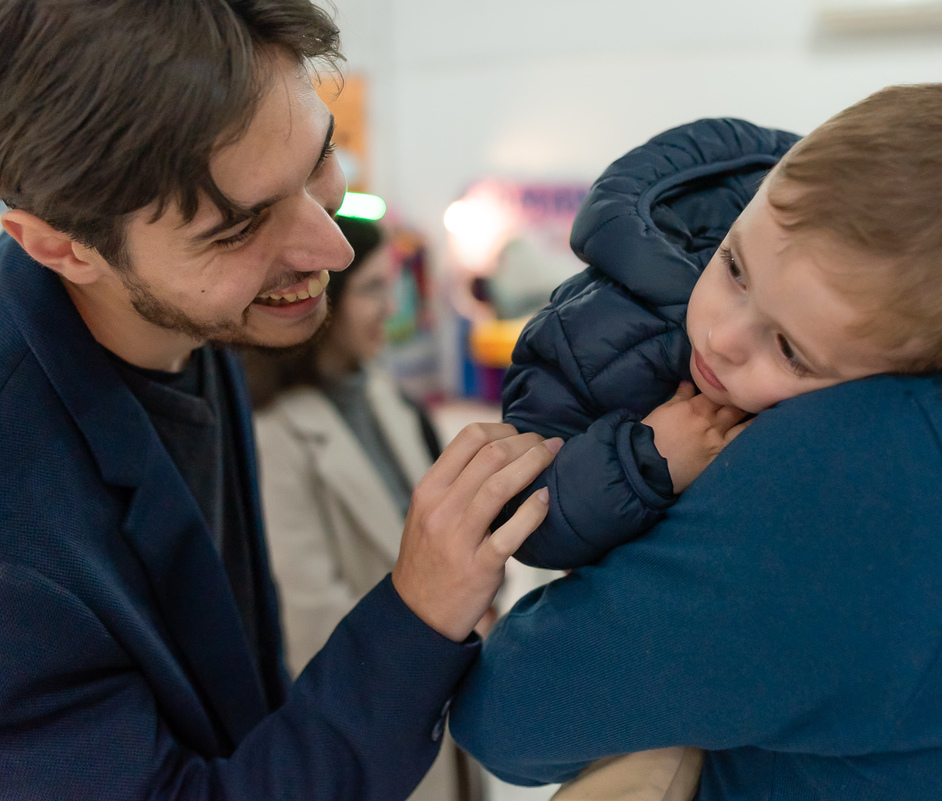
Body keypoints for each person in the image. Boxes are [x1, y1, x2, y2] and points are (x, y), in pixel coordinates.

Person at [450, 1, 942, 798]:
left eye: (793, 349)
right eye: (736, 267)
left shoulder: (888, 450)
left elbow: (515, 711)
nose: (734, 339)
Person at [0, 2, 556, 799]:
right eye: (238, 228)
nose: (330, 248)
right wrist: (418, 610)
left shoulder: (192, 318)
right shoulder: (17, 535)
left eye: (321, 158)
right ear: (60, 246)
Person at [496, 84, 942, 572]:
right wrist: (643, 461)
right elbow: (520, 514)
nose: (721, 339)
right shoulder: (605, 327)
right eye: (735, 268)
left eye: (789, 351)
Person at [247, 215, 442, 675]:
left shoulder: (390, 398)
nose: (392, 308)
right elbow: (310, 617)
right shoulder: (272, 432)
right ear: (323, 296)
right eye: (373, 290)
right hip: (375, 686)